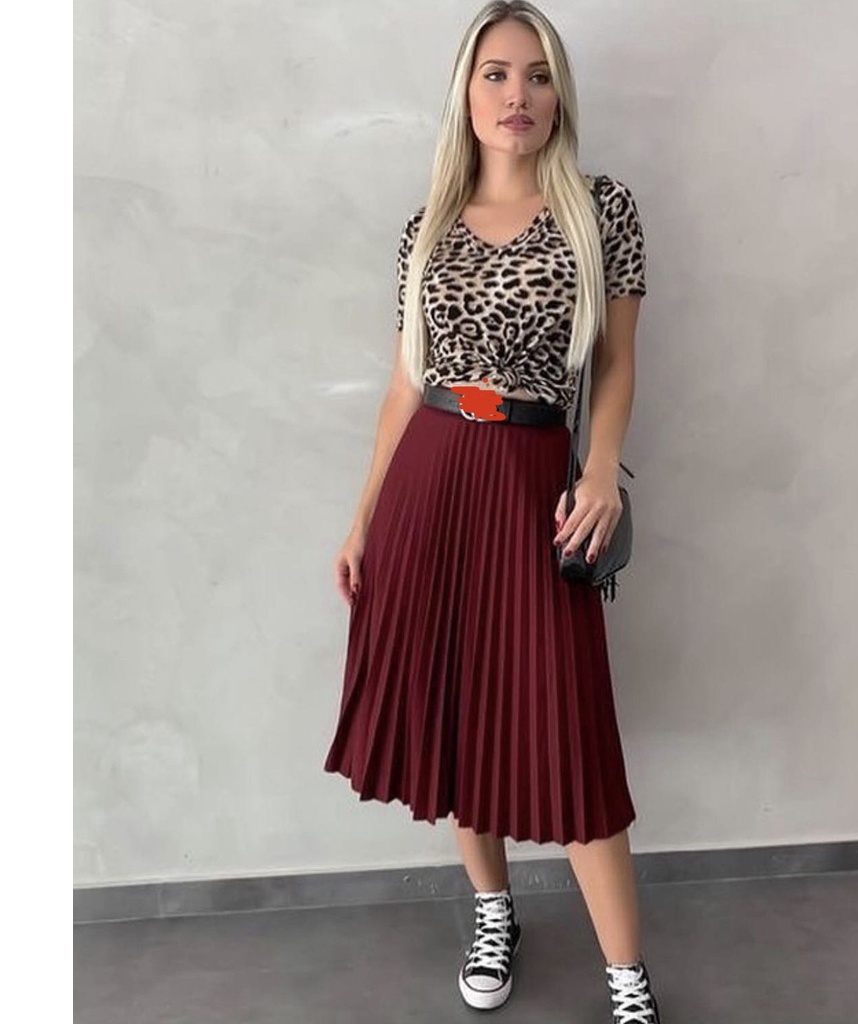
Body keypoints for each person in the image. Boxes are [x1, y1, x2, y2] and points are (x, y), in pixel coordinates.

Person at [323, 3, 660, 1022]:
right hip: (428, 478)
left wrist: (600, 472)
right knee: (451, 710)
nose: (518, 94)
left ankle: (627, 979)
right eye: (497, 74)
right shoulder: (424, 228)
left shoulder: (601, 208)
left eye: (538, 75)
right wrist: (361, 519)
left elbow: (616, 363)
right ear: (465, 96)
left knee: (567, 727)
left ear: (560, 95)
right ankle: (493, 908)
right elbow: (402, 386)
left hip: (532, 483)